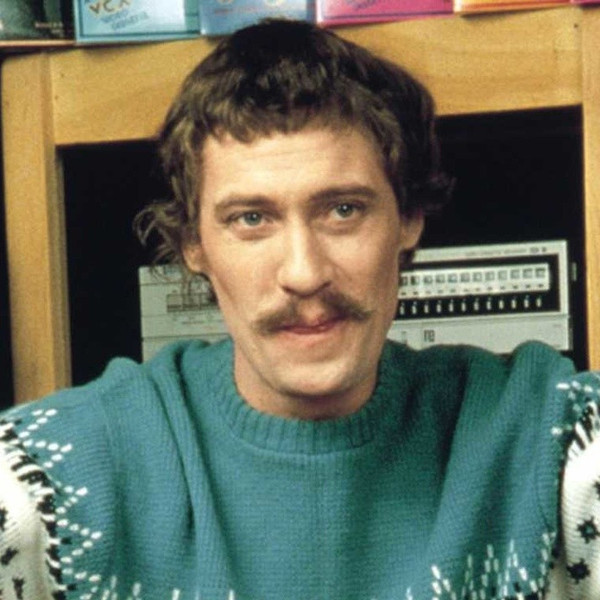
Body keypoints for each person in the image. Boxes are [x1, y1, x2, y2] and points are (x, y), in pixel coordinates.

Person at [0, 18, 599, 600]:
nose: (305, 273)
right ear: (193, 245)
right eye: (251, 219)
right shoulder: (59, 475)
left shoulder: (545, 439)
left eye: (343, 210)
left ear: (408, 218)